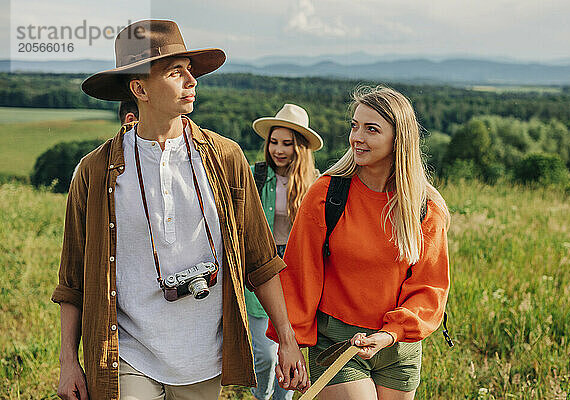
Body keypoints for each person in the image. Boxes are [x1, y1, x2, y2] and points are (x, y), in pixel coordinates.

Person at [52, 19, 307, 400]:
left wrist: (286, 338)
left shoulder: (225, 158)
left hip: (202, 356)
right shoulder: (95, 171)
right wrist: (68, 362)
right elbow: (73, 278)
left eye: (191, 71)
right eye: (176, 72)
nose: (192, 81)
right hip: (127, 353)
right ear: (139, 89)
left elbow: (260, 258)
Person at [267, 86, 451, 400]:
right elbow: (298, 277)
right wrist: (290, 343)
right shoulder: (326, 195)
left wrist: (390, 334)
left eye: (371, 129)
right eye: (355, 126)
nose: (357, 137)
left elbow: (429, 288)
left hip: (399, 348)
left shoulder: (425, 208)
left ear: (399, 140)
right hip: (337, 341)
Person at [244, 104, 322, 400]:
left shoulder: (315, 183)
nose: (278, 150)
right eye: (274, 142)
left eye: (286, 144)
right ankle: (260, 394)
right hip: (262, 267)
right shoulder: (256, 176)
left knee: (287, 347)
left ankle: (282, 397)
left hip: (296, 270)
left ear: (299, 147)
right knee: (264, 352)